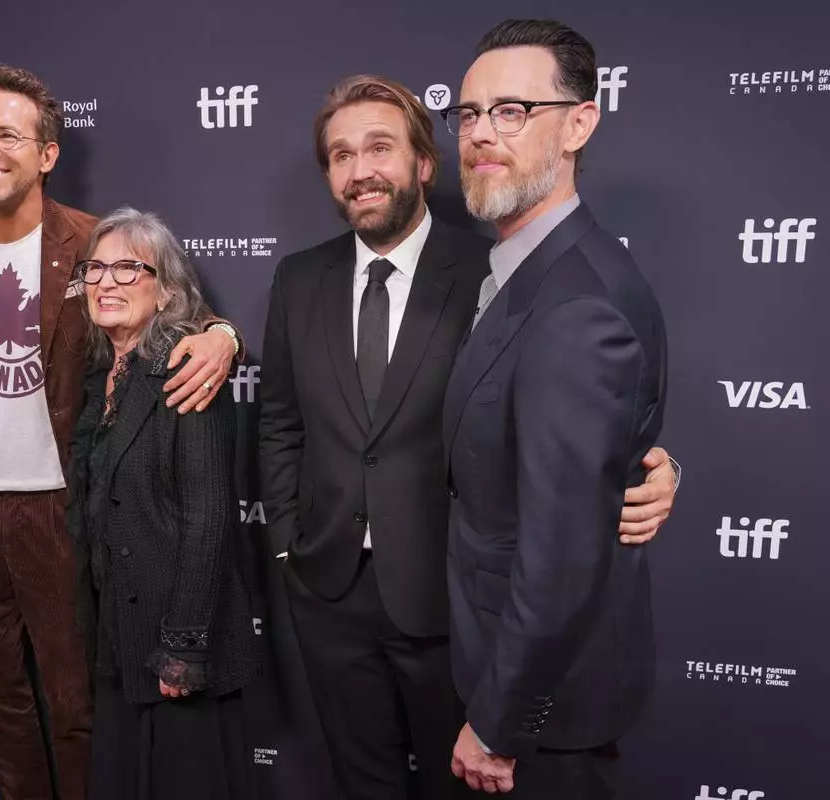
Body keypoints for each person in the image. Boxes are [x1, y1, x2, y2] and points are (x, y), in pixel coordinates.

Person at [257, 75, 679, 799]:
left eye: (380, 148)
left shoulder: (496, 274)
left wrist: (652, 466)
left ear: (425, 163)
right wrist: (292, 541)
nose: (361, 170)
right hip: (327, 591)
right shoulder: (300, 278)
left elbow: (558, 419)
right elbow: (280, 421)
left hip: (445, 599)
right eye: (341, 155)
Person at [0, 65, 244, 800]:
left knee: (76, 704)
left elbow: (176, 304)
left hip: (64, 507)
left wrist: (224, 335)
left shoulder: (93, 242)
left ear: (47, 154)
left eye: (8, 135)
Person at [440, 19, 667, 797]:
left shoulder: (577, 306)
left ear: (578, 123)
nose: (480, 134)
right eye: (468, 114)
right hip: (507, 666)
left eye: (512, 111)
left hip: (542, 712)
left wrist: (501, 723)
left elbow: (562, 551)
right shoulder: (526, 268)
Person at [65, 207, 262, 800]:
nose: (106, 282)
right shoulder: (99, 375)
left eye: (128, 268)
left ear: (166, 289)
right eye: (95, 268)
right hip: (119, 635)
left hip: (175, 645)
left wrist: (182, 649)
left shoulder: (185, 364)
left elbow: (207, 519)